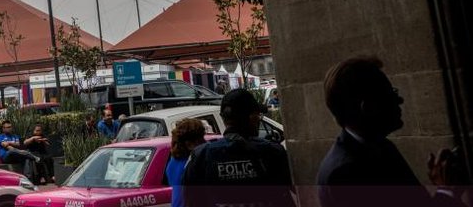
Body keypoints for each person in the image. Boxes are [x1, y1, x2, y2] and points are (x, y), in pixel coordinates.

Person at [317, 56, 464, 207]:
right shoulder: (344, 174)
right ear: (368, 107)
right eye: (389, 94)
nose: (400, 100)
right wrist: (446, 191)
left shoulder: (381, 146)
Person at [182, 88, 294, 207]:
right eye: (258, 115)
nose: (258, 119)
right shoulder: (272, 152)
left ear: (224, 119)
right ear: (252, 117)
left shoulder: (201, 156)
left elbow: (190, 200)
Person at [165, 119, 206, 207]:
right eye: (202, 137)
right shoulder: (195, 162)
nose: (205, 141)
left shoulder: (173, 162)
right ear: (190, 144)